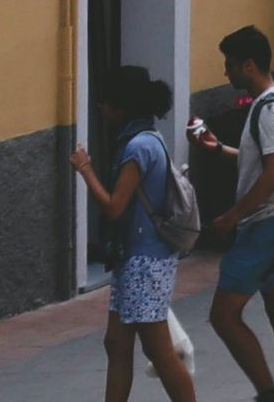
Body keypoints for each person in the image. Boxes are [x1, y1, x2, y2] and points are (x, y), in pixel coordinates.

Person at [69, 68, 197, 402]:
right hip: (137, 258)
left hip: (145, 262)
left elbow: (114, 207)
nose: (101, 109)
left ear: (121, 106)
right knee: (117, 343)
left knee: (160, 350)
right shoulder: (147, 139)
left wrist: (85, 170)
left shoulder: (138, 148)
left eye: (106, 103)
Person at [204, 27, 274, 402]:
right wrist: (221, 150)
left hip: (265, 224)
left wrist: (233, 215)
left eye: (230, 65)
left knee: (223, 315)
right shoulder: (269, 105)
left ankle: (270, 394)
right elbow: (263, 161)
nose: (226, 73)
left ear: (249, 65)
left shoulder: (271, 108)